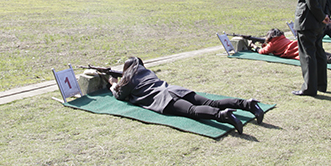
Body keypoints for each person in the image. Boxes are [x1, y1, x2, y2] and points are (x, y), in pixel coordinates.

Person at [109, 56, 264, 135]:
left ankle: (223, 116)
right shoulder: (147, 71)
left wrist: (113, 84)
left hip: (164, 99)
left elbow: (120, 96)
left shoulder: (128, 79)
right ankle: (247, 104)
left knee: (192, 111)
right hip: (175, 89)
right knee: (211, 102)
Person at [257, 28, 331, 68]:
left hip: (302, 51)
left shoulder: (273, 43)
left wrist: (254, 47)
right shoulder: (282, 38)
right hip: (304, 45)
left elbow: (263, 51)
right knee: (329, 55)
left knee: (327, 59)